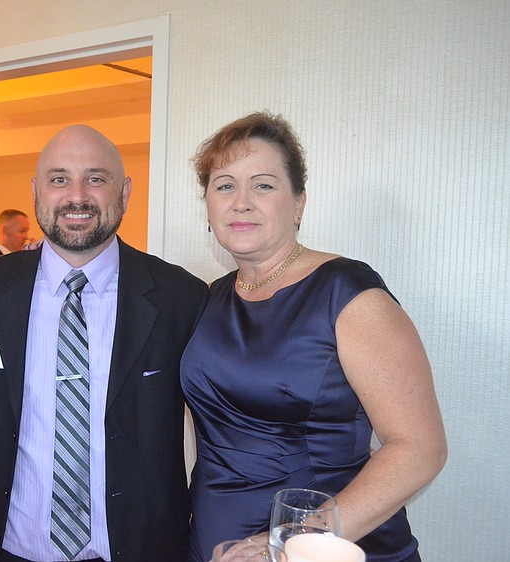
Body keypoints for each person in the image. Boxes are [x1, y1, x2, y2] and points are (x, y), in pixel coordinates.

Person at [180, 112, 447, 562]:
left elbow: (420, 448)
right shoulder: (209, 297)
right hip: (215, 542)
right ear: (207, 205)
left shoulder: (346, 293)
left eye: (263, 185)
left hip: (320, 545)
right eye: (224, 185)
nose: (240, 202)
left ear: (299, 202)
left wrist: (295, 539)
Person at [0, 125, 209, 562]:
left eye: (96, 178)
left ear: (125, 192)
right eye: (59, 179)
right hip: (5, 549)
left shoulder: (181, 297)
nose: (77, 196)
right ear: (37, 191)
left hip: (140, 549)